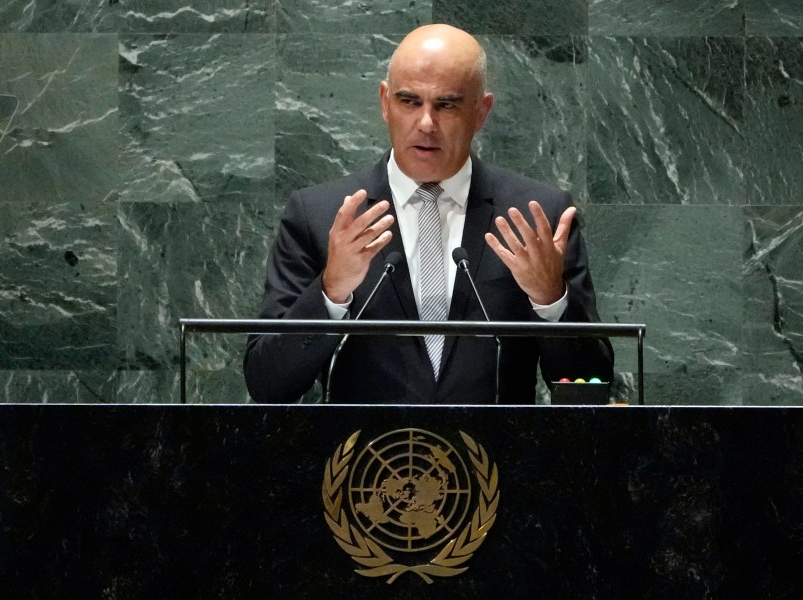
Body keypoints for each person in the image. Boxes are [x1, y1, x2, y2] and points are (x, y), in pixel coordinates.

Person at [244, 24, 613, 404]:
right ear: (385, 102)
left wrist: (550, 300)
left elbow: (593, 385)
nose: (425, 124)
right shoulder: (318, 216)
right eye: (409, 101)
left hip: (495, 459)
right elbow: (267, 384)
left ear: (481, 111)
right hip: (364, 459)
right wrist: (331, 292)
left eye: (447, 105)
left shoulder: (538, 217)